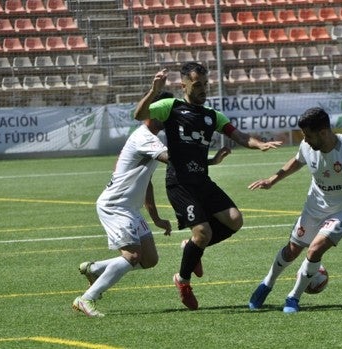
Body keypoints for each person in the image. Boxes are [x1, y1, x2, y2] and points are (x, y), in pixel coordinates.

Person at [134, 62, 283, 310]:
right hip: (180, 183)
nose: (204, 89)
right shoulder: (170, 107)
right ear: (184, 85)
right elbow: (139, 115)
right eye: (198, 85)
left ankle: (190, 247)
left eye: (206, 84)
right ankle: (182, 280)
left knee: (234, 220)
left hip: (202, 180)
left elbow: (239, 136)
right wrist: (154, 90)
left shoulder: (212, 116)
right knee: (203, 233)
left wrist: (260, 144)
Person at [72, 91, 231, 317]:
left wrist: (155, 217)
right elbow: (177, 161)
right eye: (166, 113)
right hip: (115, 206)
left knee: (149, 260)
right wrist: (210, 160)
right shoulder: (144, 137)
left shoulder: (151, 139)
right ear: (156, 113)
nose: (170, 118)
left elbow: (146, 182)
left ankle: (94, 268)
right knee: (132, 257)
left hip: (129, 208)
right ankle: (87, 298)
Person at [247, 107, 342, 313]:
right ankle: (266, 284)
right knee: (292, 251)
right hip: (313, 208)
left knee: (314, 249)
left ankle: (293, 298)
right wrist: (272, 180)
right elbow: (296, 162)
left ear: (323, 132)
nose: (305, 140)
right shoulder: (307, 146)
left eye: (308, 135)